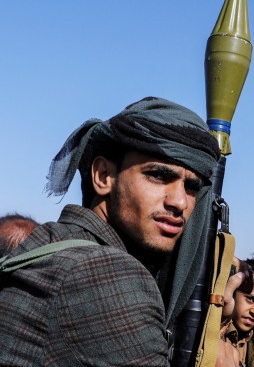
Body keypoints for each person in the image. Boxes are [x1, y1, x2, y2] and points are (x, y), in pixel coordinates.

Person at [0, 97, 226, 365]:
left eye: (191, 187)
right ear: (103, 176)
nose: (180, 202)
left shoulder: (51, 243)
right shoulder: (107, 272)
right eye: (158, 175)